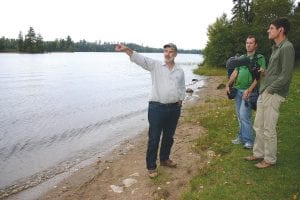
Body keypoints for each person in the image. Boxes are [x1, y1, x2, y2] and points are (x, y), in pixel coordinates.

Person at [115, 43, 186, 178]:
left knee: (168, 137)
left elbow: (182, 87)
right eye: (165, 51)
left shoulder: (180, 71)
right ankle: (151, 166)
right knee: (154, 138)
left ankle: (164, 159)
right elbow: (140, 59)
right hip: (156, 108)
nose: (167, 54)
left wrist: (180, 100)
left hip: (174, 109)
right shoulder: (156, 65)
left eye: (171, 52)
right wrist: (126, 50)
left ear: (175, 54)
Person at [245, 17, 295, 168]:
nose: (268, 30)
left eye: (271, 28)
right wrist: (264, 72)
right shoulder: (276, 48)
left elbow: (285, 76)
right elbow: (276, 72)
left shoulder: (287, 47)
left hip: (273, 93)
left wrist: (270, 90)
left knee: (269, 128)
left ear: (281, 30)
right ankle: (258, 153)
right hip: (265, 91)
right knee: (258, 125)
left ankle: (270, 159)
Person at [226, 35, 266, 149]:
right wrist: (228, 84)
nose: (248, 45)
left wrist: (249, 90)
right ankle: (241, 137)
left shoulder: (259, 58)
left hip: (249, 91)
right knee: (239, 115)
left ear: (256, 45)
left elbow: (259, 77)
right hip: (238, 90)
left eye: (251, 43)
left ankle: (248, 141)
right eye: (247, 43)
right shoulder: (242, 58)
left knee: (244, 115)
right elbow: (235, 72)